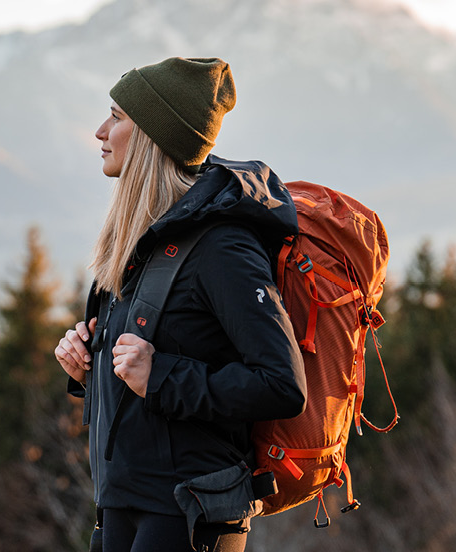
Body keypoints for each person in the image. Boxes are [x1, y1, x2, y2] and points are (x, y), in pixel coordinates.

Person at [54, 57, 306, 552]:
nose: (101, 131)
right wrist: (87, 361)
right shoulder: (138, 243)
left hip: (187, 517)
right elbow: (151, 353)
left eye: (117, 117)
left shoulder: (220, 248)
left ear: (152, 136)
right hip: (120, 509)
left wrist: (162, 376)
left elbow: (281, 384)